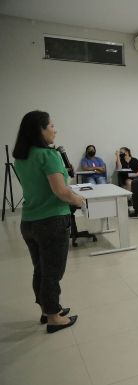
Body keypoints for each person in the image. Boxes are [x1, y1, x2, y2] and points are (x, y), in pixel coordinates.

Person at [13, 110, 82, 333]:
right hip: (51, 221)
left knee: (40, 269)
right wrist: (78, 200)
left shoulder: (22, 157)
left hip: (29, 222)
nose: (55, 129)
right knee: (52, 272)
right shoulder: (48, 155)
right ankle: (54, 317)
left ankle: (47, 309)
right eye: (51, 125)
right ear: (40, 130)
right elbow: (61, 192)